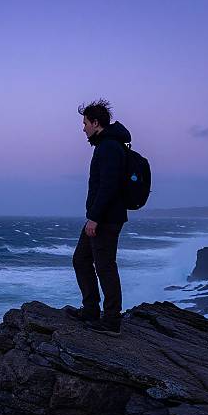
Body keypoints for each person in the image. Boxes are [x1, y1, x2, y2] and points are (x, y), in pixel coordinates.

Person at [67, 99, 130, 336]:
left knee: (105, 266)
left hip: (105, 218)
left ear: (96, 123)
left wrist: (94, 218)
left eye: (85, 123)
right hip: (100, 216)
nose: (83, 128)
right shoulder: (106, 145)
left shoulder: (109, 147)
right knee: (81, 259)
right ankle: (91, 310)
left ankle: (111, 320)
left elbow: (109, 186)